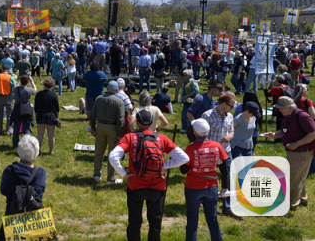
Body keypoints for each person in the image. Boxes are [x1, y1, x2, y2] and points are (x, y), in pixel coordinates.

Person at [109, 109, 189, 241]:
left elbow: (113, 156)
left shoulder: (130, 137)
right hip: (157, 186)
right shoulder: (161, 138)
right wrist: (163, 166)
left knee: (134, 222)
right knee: (155, 223)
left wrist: (123, 173)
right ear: (152, 122)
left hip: (135, 185)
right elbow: (184, 158)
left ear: (138, 122)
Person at [263, 96, 315, 210]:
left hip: (302, 152)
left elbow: (313, 134)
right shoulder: (287, 116)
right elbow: (284, 131)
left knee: (293, 177)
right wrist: (274, 134)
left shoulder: (303, 117)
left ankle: (291, 204)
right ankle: (302, 198)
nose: (279, 110)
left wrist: (297, 144)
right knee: (298, 176)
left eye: (281, 108)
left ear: (290, 107)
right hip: (292, 151)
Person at [180, 118, 228, 241]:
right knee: (212, 218)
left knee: (192, 221)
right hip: (211, 186)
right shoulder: (217, 146)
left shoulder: (191, 148)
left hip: (193, 187)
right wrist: (225, 185)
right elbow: (224, 166)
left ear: (195, 133)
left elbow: (183, 170)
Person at [0, 134, 46, 240]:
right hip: (33, 217)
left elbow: (4, 190)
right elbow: (39, 195)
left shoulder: (9, 170)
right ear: (36, 153)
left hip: (12, 214)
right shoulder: (40, 173)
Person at [201, 93, 238, 219]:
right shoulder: (207, 115)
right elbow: (202, 135)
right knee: (208, 179)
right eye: (231, 106)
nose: (232, 109)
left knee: (227, 180)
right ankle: (206, 202)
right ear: (223, 104)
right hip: (211, 153)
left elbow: (232, 131)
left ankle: (226, 207)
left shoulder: (230, 116)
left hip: (226, 151)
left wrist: (229, 137)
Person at [90, 81, 125, 184]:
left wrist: (93, 127)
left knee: (98, 153)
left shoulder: (99, 99)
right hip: (113, 129)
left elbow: (93, 115)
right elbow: (121, 120)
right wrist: (119, 134)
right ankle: (110, 178)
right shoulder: (119, 102)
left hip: (100, 126)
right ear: (116, 90)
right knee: (112, 155)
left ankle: (97, 175)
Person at [34, 78, 60, 155]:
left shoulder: (38, 94)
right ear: (52, 86)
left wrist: (36, 117)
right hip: (51, 117)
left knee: (39, 135)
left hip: (41, 115)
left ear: (44, 84)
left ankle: (38, 151)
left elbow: (36, 108)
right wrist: (57, 118)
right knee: (51, 135)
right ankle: (51, 151)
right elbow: (57, 109)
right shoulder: (54, 95)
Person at [11, 75, 37, 148]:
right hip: (26, 108)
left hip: (17, 108)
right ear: (28, 82)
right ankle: (26, 144)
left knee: (16, 127)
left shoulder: (16, 89)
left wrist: (19, 83)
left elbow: (13, 96)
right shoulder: (29, 90)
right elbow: (35, 90)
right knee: (26, 128)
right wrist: (32, 82)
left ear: (20, 81)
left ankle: (15, 144)